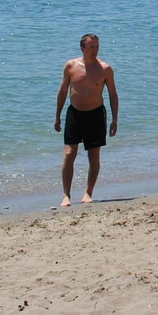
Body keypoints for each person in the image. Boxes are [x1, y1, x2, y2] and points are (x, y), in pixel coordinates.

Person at [54, 33, 119, 207]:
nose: (95, 50)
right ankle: (66, 195)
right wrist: (57, 116)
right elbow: (62, 91)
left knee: (93, 155)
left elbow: (113, 95)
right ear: (82, 48)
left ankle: (88, 192)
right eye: (91, 47)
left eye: (97, 46)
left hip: (96, 114)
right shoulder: (71, 66)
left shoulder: (105, 69)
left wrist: (114, 120)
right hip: (74, 113)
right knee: (69, 153)